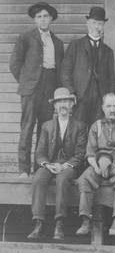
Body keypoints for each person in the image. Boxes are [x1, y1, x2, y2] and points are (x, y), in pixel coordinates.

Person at [10, 2, 64, 178]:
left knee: (45, 129)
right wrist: (26, 82)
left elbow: (60, 69)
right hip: (31, 88)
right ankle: (24, 170)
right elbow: (14, 64)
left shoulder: (57, 42)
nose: (43, 19)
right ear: (35, 19)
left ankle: (39, 168)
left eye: (46, 16)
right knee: (27, 128)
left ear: (51, 19)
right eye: (39, 16)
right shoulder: (26, 38)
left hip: (50, 86)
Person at [28, 88, 88, 240]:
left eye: (66, 101)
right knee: (38, 178)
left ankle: (59, 223)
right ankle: (38, 223)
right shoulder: (47, 126)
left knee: (62, 179)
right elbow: (40, 152)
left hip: (69, 166)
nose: (63, 105)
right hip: (50, 165)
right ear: (55, 106)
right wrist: (47, 165)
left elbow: (80, 154)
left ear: (71, 105)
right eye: (59, 102)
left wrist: (65, 165)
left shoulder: (80, 126)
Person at [75, 93, 115, 237]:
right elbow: (89, 153)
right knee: (84, 178)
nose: (112, 110)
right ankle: (85, 220)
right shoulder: (96, 126)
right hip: (99, 163)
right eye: (109, 106)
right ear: (103, 108)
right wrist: (95, 166)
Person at [61, 7, 115, 128]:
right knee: (78, 130)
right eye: (94, 23)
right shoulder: (75, 46)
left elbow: (111, 79)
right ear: (87, 23)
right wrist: (71, 92)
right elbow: (65, 72)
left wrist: (109, 100)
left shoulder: (108, 51)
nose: (97, 27)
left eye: (100, 24)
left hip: (100, 99)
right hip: (80, 97)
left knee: (98, 130)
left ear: (104, 26)